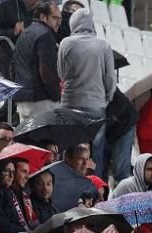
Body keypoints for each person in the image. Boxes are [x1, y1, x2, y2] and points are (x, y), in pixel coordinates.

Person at [58, 9, 115, 171]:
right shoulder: (103, 45)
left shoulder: (65, 43)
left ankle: (66, 181)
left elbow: (61, 74)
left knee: (69, 147)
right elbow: (110, 77)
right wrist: (107, 98)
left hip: (70, 103)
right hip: (96, 105)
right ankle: (94, 186)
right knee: (95, 150)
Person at [11, 0, 61, 120]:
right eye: (55, 18)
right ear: (43, 17)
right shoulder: (46, 35)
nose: (58, 23)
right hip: (41, 100)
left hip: (22, 100)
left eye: (60, 19)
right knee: (44, 138)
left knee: (24, 138)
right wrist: (56, 96)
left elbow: (13, 68)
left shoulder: (24, 34)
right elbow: (46, 72)